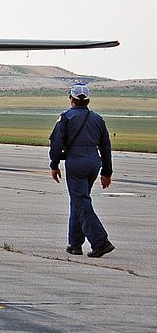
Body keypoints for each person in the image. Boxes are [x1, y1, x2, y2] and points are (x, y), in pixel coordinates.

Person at [49, 83, 114, 258]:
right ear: (88, 100)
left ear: (71, 99)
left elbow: (56, 143)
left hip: (76, 163)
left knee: (81, 201)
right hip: (94, 162)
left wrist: (54, 165)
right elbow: (106, 146)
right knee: (78, 201)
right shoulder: (98, 119)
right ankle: (75, 244)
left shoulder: (66, 118)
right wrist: (107, 172)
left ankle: (100, 242)